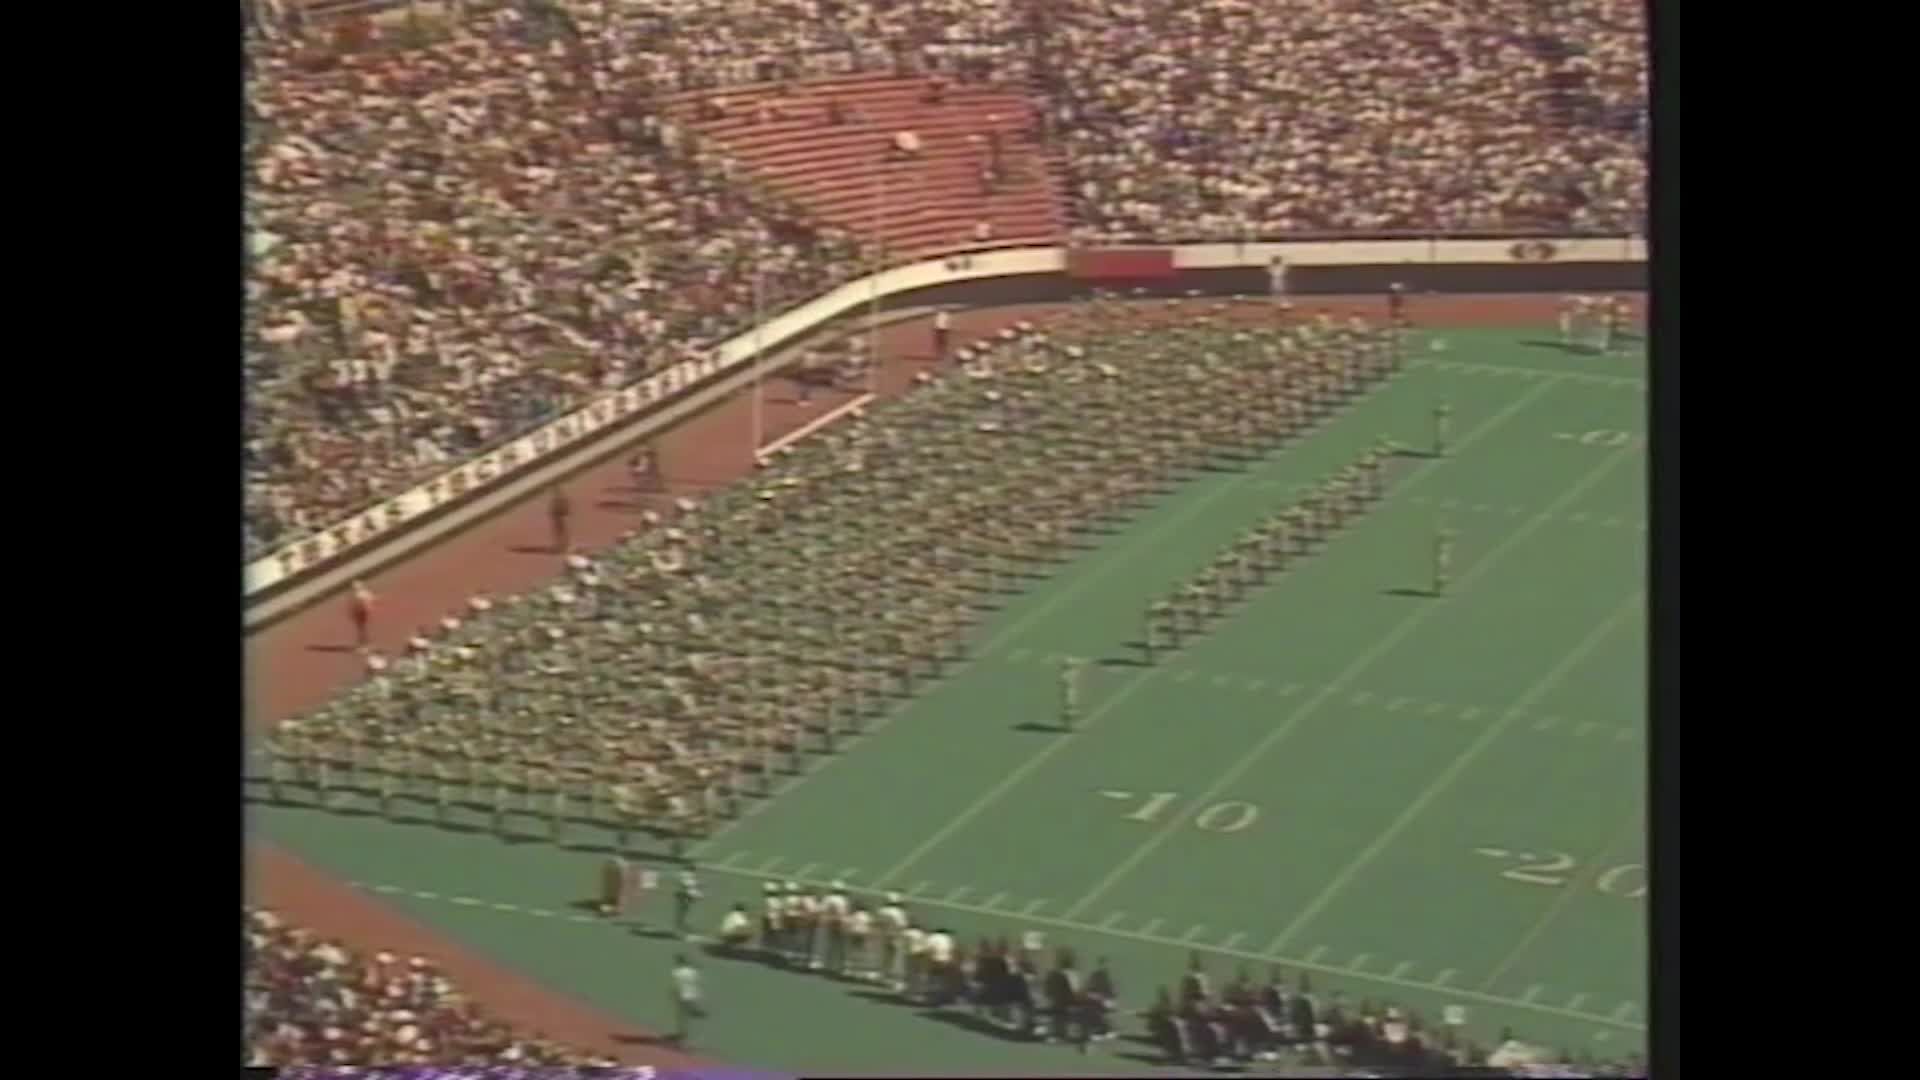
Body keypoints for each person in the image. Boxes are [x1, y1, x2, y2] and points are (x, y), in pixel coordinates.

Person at [668, 954, 704, 1045]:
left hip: (683, 996)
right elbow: (696, 983)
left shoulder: (677, 972)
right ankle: (687, 1036)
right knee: (689, 1016)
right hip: (693, 995)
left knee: (681, 1017)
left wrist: (673, 995)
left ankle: (682, 1036)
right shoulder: (693, 972)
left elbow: (676, 986)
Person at [673, 870, 701, 937]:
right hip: (685, 897)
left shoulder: (687, 877)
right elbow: (690, 887)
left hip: (684, 897)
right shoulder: (688, 879)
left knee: (682, 910)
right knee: (683, 910)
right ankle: (679, 923)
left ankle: (679, 922)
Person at [348, 580, 375, 650]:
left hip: (361, 613)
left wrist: (352, 613)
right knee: (362, 629)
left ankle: (364, 645)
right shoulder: (364, 593)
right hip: (364, 612)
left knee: (361, 629)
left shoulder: (357, 595)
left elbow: (356, 605)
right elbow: (372, 598)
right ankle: (364, 644)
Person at [548, 485, 573, 555]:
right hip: (557, 518)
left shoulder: (560, 499)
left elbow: (565, 507)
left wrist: (564, 513)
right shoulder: (556, 500)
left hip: (560, 518)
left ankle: (564, 546)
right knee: (559, 533)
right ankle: (561, 546)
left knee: (562, 533)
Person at [1433, 521, 1455, 597]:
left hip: (1443, 559)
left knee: (1443, 575)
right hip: (1442, 559)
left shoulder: (1443, 545)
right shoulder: (1442, 545)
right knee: (1442, 575)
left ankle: (1439, 591)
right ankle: (1438, 591)